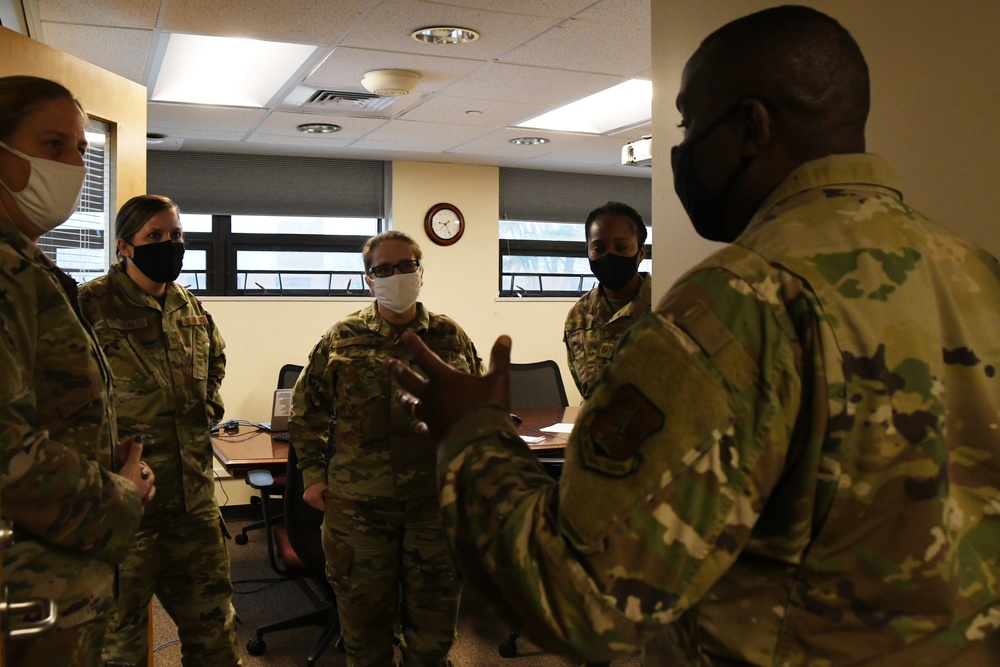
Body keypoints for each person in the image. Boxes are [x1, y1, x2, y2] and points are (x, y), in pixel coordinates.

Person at [385, 6, 1000, 666]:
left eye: (686, 123)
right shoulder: (975, 272)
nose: (677, 150)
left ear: (751, 128)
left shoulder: (746, 297)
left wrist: (471, 430)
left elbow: (581, 596)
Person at [0, 75, 154, 666]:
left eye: (81, 150)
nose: (73, 165)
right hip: (24, 597)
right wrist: (120, 495)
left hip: (58, 575)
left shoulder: (30, 265)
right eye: (52, 145)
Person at [290, 230, 484, 667]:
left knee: (433, 639)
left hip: (433, 507)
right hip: (360, 510)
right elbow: (306, 410)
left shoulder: (451, 337)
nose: (395, 276)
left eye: (405, 267)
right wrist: (313, 476)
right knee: (364, 636)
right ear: (368, 279)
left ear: (420, 272)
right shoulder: (342, 338)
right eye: (383, 269)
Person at [77, 194, 238, 666]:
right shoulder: (89, 305)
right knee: (117, 644)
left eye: (175, 236)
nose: (169, 245)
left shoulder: (188, 306)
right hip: (127, 509)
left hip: (193, 506)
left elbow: (216, 361)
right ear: (125, 246)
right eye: (155, 237)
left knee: (216, 636)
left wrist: (205, 408)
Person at [564, 201, 651, 400]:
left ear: (641, 252)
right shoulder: (579, 315)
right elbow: (586, 390)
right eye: (598, 248)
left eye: (621, 247)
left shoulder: (666, 308)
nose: (609, 255)